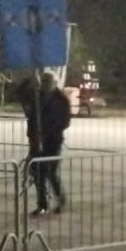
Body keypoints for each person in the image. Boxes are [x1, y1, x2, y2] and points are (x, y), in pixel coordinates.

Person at [30, 72, 71, 216]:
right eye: (43, 81)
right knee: (38, 174)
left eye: (48, 81)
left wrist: (48, 130)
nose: (45, 84)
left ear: (55, 82)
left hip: (53, 141)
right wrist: (33, 136)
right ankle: (42, 204)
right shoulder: (37, 97)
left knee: (51, 172)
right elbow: (32, 117)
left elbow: (65, 121)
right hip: (37, 141)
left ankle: (61, 199)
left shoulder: (62, 100)